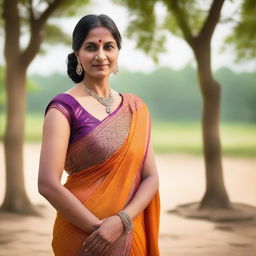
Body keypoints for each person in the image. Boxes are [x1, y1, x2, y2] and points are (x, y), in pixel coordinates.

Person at [38, 14, 160, 256]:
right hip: (82, 236)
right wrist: (99, 229)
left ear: (117, 53)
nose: (101, 55)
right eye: (91, 47)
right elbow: (47, 184)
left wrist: (121, 221)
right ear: (77, 54)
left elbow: (151, 177)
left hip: (128, 231)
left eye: (109, 47)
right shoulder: (64, 108)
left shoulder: (135, 108)